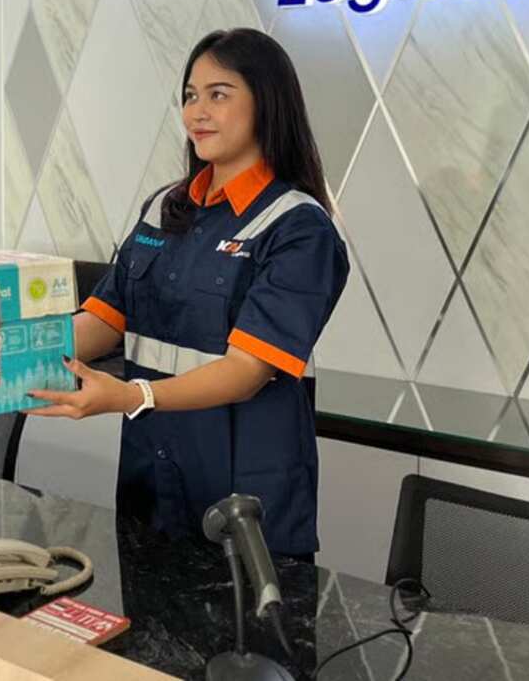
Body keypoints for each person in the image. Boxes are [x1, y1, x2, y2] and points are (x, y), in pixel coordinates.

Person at [29, 28, 348, 559]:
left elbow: (247, 371)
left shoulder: (299, 227)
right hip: (152, 482)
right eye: (190, 95)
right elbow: (104, 321)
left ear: (267, 103)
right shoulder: (165, 207)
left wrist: (132, 397)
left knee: (249, 617)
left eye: (218, 94)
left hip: (245, 501)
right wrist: (0, 356)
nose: (197, 112)